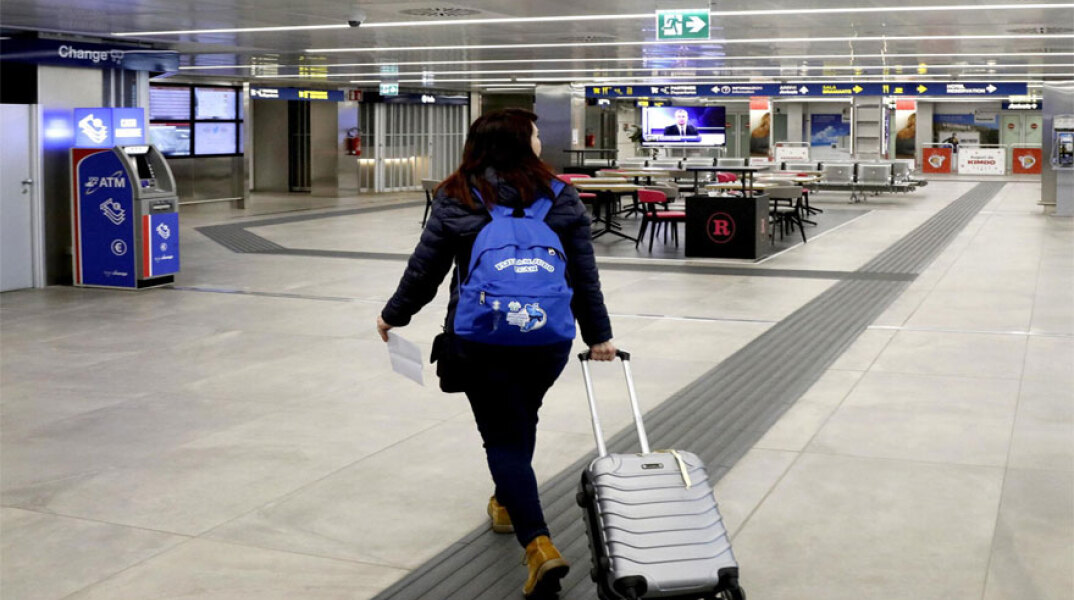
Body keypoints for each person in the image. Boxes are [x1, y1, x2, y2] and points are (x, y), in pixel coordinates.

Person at [376, 108, 616, 600]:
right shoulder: (560, 194)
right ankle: (506, 503)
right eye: (534, 134)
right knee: (521, 419)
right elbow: (582, 275)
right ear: (519, 142)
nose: (539, 142)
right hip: (546, 337)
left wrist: (394, 315)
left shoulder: (458, 193)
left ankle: (538, 544)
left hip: (480, 338)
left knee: (503, 437)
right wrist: (599, 335)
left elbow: (426, 268)